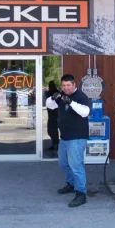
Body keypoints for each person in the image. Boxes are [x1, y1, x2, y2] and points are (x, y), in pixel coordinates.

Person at [46, 74, 90, 207]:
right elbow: (50, 105)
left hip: (77, 138)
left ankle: (81, 193)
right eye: (63, 85)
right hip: (64, 137)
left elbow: (85, 112)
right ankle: (71, 184)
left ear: (74, 84)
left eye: (68, 85)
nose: (66, 88)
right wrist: (53, 98)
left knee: (76, 166)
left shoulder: (80, 96)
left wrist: (70, 102)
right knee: (63, 164)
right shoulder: (61, 94)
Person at [44, 80, 59, 151]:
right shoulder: (56, 91)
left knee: (51, 130)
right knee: (53, 130)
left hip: (52, 113)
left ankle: (55, 144)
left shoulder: (50, 92)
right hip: (55, 113)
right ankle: (55, 144)